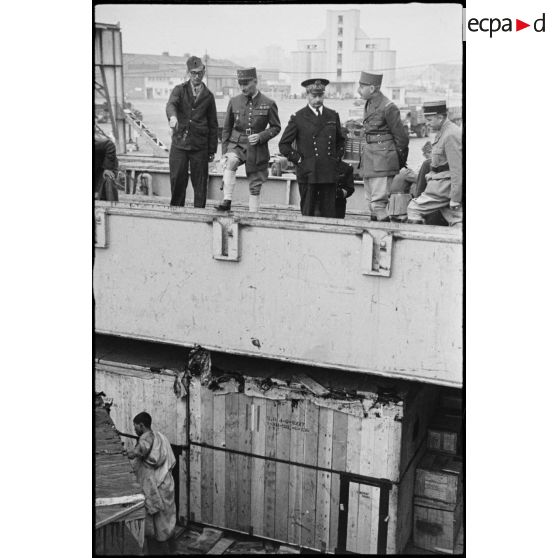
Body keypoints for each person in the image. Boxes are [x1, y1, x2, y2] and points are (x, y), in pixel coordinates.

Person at [216, 67, 281, 212]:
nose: (243, 87)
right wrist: (224, 153)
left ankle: (253, 214)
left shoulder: (269, 103)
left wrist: (261, 136)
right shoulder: (234, 101)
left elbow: (276, 127)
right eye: (240, 84)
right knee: (230, 162)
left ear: (255, 82)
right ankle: (226, 200)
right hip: (237, 144)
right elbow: (226, 129)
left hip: (257, 147)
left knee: (255, 183)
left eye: (246, 84)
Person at [278, 78, 345, 218]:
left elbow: (340, 141)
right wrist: (300, 160)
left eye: (320, 96)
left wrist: (335, 159)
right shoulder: (298, 117)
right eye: (314, 96)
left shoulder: (333, 115)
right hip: (308, 173)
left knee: (329, 214)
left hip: (328, 172)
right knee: (308, 213)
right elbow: (283, 145)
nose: (317, 100)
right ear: (307, 96)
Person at [166, 56, 218, 208]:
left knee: (200, 183)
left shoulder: (208, 96)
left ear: (204, 72)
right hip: (179, 144)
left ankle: (199, 214)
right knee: (177, 180)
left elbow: (213, 124)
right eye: (193, 73)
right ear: (188, 72)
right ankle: (176, 212)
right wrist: (173, 117)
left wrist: (212, 149)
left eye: (200, 73)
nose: (197, 76)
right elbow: (171, 105)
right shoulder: (179, 90)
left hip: (199, 146)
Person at [358, 72, 409, 221]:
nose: (358, 90)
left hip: (383, 159)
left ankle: (385, 237)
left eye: (362, 87)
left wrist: (395, 161)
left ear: (372, 88)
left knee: (378, 205)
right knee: (371, 204)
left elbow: (402, 139)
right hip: (370, 158)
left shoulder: (388, 107)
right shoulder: (369, 103)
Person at [125, 412, 176, 554]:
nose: (135, 430)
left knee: (158, 522)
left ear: (142, 425)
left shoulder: (147, 437)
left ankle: (160, 550)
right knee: (166, 520)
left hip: (157, 484)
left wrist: (129, 454)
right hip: (165, 483)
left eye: (136, 427)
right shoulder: (160, 437)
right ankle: (168, 546)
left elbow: (142, 448)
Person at [406, 101, 463, 227]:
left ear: (440, 117)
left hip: (444, 187)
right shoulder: (444, 131)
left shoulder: (451, 134)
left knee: (413, 209)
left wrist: (455, 198)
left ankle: (419, 243)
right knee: (457, 220)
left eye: (430, 119)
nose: (427, 123)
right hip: (441, 186)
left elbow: (458, 169)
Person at [94, 134, 119, 201]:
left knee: (108, 179)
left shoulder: (98, 142)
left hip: (108, 163)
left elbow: (109, 144)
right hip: (97, 164)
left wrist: (108, 168)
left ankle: (113, 206)